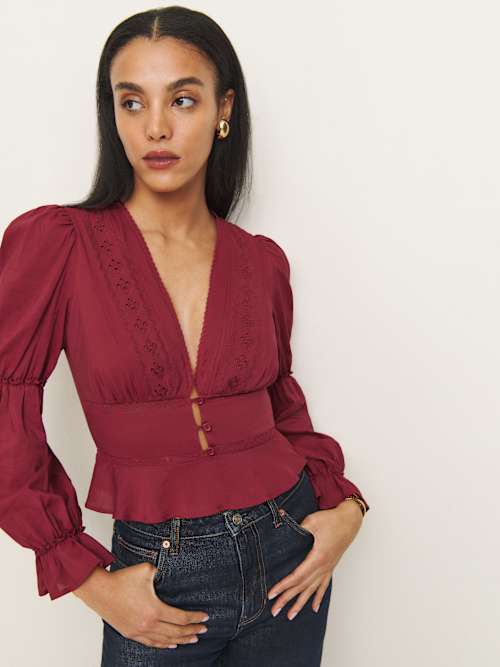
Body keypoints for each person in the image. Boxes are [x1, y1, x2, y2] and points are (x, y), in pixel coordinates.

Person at [0, 6, 370, 665]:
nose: (156, 127)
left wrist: (344, 509)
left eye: (183, 99)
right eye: (132, 102)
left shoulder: (261, 261)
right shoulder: (59, 243)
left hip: (289, 552)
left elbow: (280, 404)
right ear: (112, 115)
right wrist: (84, 575)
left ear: (224, 109)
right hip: (160, 574)